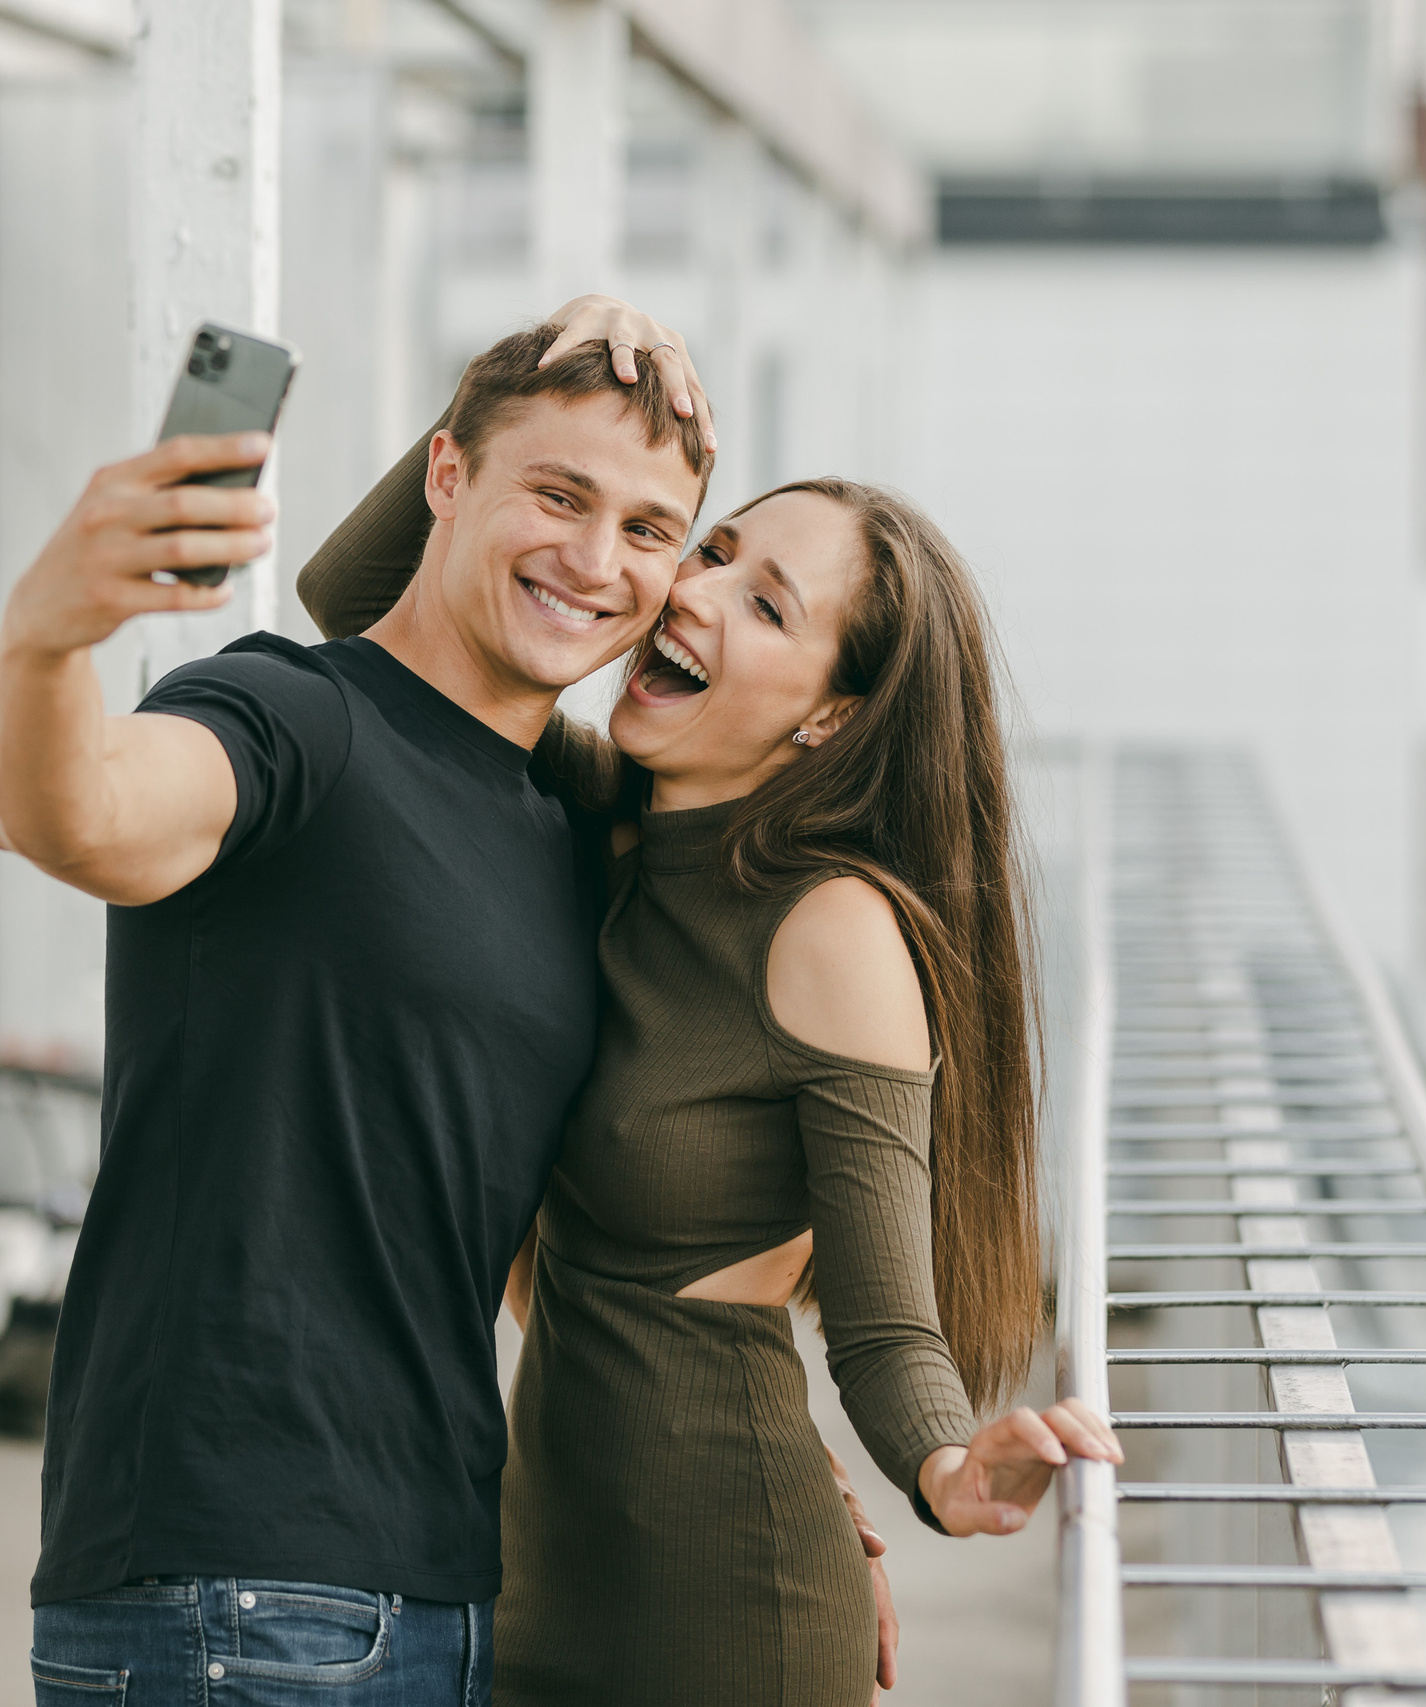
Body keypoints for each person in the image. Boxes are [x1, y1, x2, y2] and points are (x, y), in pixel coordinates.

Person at [298, 339, 1123, 1705]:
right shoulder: (577, 817)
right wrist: (533, 372)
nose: (694, 591)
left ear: (827, 721)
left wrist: (943, 1471)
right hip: (531, 1583)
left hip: (728, 1610)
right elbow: (361, 611)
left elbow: (881, 1322)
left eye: (770, 604)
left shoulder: (831, 927)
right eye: (719, 550)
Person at [0, 299, 720, 1705]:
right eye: (555, 495)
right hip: (235, 1592)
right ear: (447, 477)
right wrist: (45, 638)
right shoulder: (298, 718)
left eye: (647, 528)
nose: (594, 560)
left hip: (439, 1579)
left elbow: (531, 1261)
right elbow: (79, 813)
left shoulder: (562, 826)